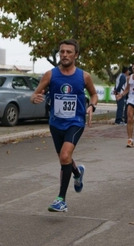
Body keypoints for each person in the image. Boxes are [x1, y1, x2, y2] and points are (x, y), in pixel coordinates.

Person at [30, 39, 97, 212]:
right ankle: (77, 173)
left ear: (76, 55)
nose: (65, 55)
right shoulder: (50, 75)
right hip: (56, 123)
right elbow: (35, 94)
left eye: (68, 52)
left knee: (65, 156)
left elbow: (94, 94)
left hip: (76, 122)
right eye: (62, 52)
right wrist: (35, 98)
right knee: (63, 157)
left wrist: (92, 106)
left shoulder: (84, 76)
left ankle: (61, 200)